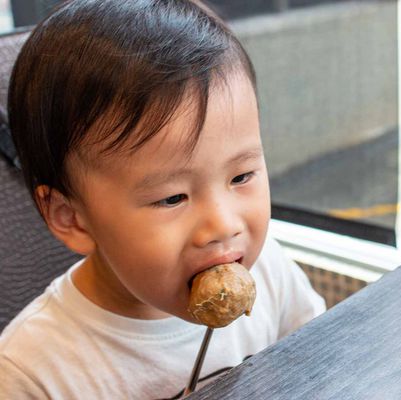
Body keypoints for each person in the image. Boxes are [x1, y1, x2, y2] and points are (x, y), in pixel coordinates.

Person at [0, 0, 326, 398]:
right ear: (72, 218)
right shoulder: (32, 373)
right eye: (172, 198)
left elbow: (317, 369)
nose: (224, 225)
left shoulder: (271, 271)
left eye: (241, 176)